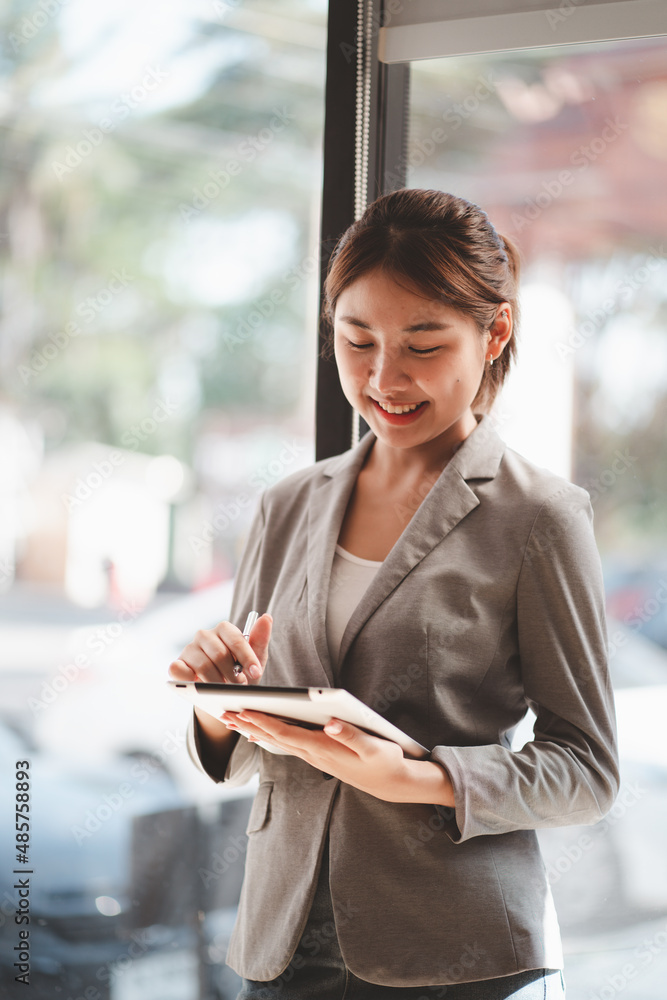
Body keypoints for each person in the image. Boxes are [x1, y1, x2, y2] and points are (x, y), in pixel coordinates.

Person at [169, 188, 619, 999]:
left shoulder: (537, 517)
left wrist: (416, 778)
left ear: (495, 334)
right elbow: (244, 748)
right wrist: (215, 702)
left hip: (458, 952)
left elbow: (585, 771)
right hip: (282, 942)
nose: (384, 378)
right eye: (356, 340)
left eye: (422, 343)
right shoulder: (289, 504)